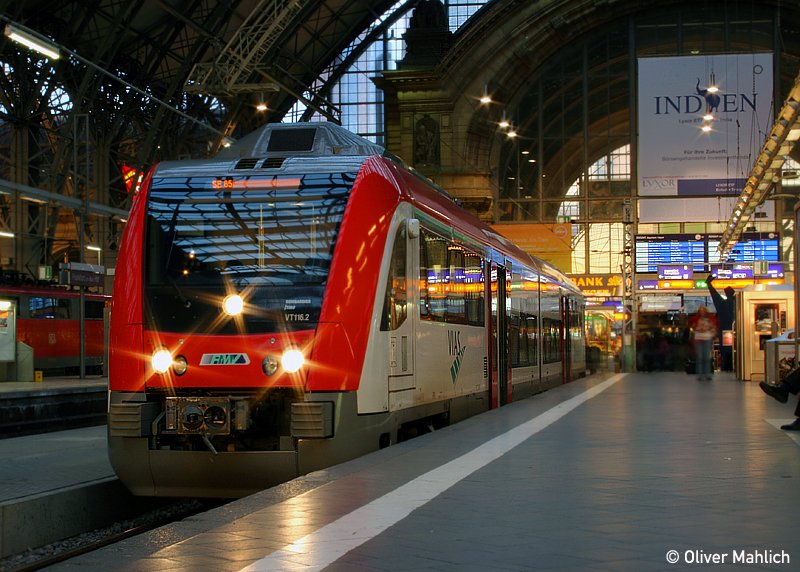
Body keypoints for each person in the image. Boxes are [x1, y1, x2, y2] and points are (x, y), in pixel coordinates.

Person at [706, 274, 735, 371]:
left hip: (724, 332)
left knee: (726, 352)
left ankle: (726, 366)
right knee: (733, 351)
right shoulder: (737, 304)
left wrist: (709, 285)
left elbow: (715, 296)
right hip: (735, 332)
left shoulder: (723, 305)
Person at [688, 306, 718, 381]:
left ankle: (707, 374)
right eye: (701, 311)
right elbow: (691, 325)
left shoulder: (710, 319)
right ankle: (700, 375)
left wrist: (712, 333)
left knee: (706, 358)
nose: (702, 312)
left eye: (703, 310)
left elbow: (714, 326)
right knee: (700, 357)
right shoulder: (696, 319)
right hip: (698, 339)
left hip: (707, 338)